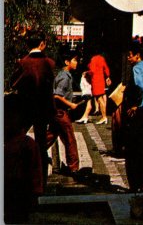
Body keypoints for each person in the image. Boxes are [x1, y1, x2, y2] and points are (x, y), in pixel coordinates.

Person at [9, 35, 56, 182]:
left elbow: (13, 83)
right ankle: (41, 178)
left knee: (18, 137)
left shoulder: (23, 62)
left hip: (25, 105)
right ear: (42, 44)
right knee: (41, 142)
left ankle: (19, 171)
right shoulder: (49, 63)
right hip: (43, 107)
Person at [4, 94, 44, 223]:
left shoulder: (27, 144)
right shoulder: (26, 143)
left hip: (20, 193)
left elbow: (35, 172)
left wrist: (35, 194)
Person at [122, 44, 143, 193]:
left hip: (136, 111)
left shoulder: (137, 69)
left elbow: (140, 88)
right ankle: (140, 184)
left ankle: (134, 185)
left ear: (137, 55)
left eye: (130, 55)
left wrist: (136, 105)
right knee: (140, 151)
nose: (128, 58)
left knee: (132, 150)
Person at [48, 50, 81, 174]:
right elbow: (57, 95)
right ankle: (74, 167)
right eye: (75, 60)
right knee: (70, 138)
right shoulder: (64, 77)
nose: (77, 62)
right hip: (61, 112)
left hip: (56, 111)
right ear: (67, 62)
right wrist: (71, 104)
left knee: (50, 136)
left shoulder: (64, 75)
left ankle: (33, 154)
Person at [77, 49, 111, 124]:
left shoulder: (93, 59)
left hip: (95, 81)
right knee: (100, 98)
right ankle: (103, 117)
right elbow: (106, 68)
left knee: (99, 99)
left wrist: (86, 73)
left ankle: (104, 117)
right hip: (101, 80)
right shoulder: (102, 58)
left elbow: (92, 71)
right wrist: (107, 77)